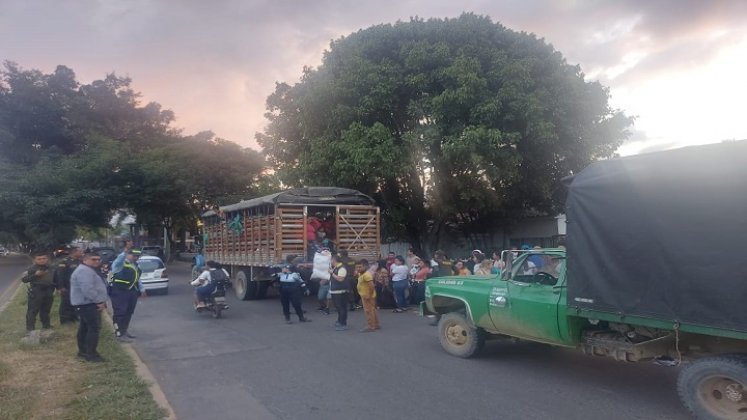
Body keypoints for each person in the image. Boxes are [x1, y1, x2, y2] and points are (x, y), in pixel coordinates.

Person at [70, 252, 108, 362]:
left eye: (98, 259)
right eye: (93, 259)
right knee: (93, 329)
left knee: (84, 328)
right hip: (87, 304)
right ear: (85, 260)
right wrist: (99, 301)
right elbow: (88, 290)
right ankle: (91, 354)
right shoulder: (84, 271)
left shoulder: (87, 270)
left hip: (86, 304)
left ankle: (83, 352)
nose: (97, 261)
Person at [109, 246, 145, 342]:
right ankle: (119, 334)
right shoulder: (119, 264)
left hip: (132, 291)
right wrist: (124, 251)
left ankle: (124, 331)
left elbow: (138, 278)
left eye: (138, 256)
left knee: (129, 312)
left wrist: (142, 289)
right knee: (120, 313)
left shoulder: (136, 265)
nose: (136, 258)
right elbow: (119, 260)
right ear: (128, 255)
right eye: (134, 255)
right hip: (119, 291)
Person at [22, 252, 57, 332]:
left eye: (44, 258)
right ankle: (30, 329)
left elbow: (55, 278)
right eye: (39, 259)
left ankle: (46, 325)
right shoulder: (31, 268)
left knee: (46, 310)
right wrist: (35, 275)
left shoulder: (51, 267)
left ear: (47, 259)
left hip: (48, 290)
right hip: (36, 291)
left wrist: (57, 288)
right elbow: (24, 280)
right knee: (33, 310)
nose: (42, 260)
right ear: (35, 260)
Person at [54, 246, 83, 325]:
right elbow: (60, 275)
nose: (81, 252)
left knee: (75, 302)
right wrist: (60, 287)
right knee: (65, 303)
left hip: (77, 286)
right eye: (80, 251)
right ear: (74, 252)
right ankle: (65, 320)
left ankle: (74, 317)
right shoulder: (64, 262)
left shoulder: (80, 261)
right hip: (67, 286)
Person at [356, 259, 379, 332]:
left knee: (368, 311)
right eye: (357, 267)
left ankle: (371, 326)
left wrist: (369, 295)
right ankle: (376, 324)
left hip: (367, 296)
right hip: (365, 295)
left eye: (360, 267)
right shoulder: (361, 274)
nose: (358, 269)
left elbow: (371, 286)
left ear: (365, 266)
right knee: (372, 310)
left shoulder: (366, 275)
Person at [329, 254, 349, 331]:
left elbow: (340, 279)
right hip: (335, 290)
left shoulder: (342, 268)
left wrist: (332, 273)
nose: (330, 261)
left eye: (331, 260)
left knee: (341, 307)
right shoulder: (335, 267)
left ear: (334, 260)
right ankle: (339, 321)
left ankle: (343, 323)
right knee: (338, 307)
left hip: (340, 291)